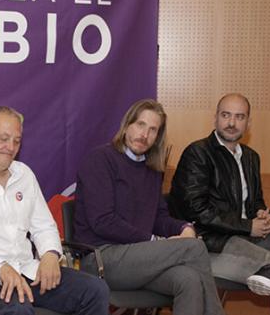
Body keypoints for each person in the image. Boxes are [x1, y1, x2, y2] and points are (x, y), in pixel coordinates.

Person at [0, 106, 110, 315]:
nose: (11, 147)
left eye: (16, 141)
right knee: (17, 310)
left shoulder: (23, 174)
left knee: (95, 290)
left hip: (26, 269)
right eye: (3, 139)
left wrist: (50, 254)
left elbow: (44, 226)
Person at [169, 93, 270, 315]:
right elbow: (196, 210)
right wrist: (248, 226)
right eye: (226, 115)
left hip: (248, 238)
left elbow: (255, 201)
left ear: (248, 123)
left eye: (239, 117)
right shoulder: (198, 153)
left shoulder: (251, 157)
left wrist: (262, 213)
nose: (231, 123)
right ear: (215, 118)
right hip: (212, 244)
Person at [74, 99, 224, 315]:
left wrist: (183, 228)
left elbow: (158, 217)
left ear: (158, 137)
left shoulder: (152, 169)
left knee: (188, 279)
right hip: (101, 257)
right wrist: (155, 241)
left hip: (138, 258)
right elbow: (103, 222)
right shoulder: (100, 160)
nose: (144, 134)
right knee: (194, 247)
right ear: (126, 126)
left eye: (153, 130)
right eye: (140, 125)